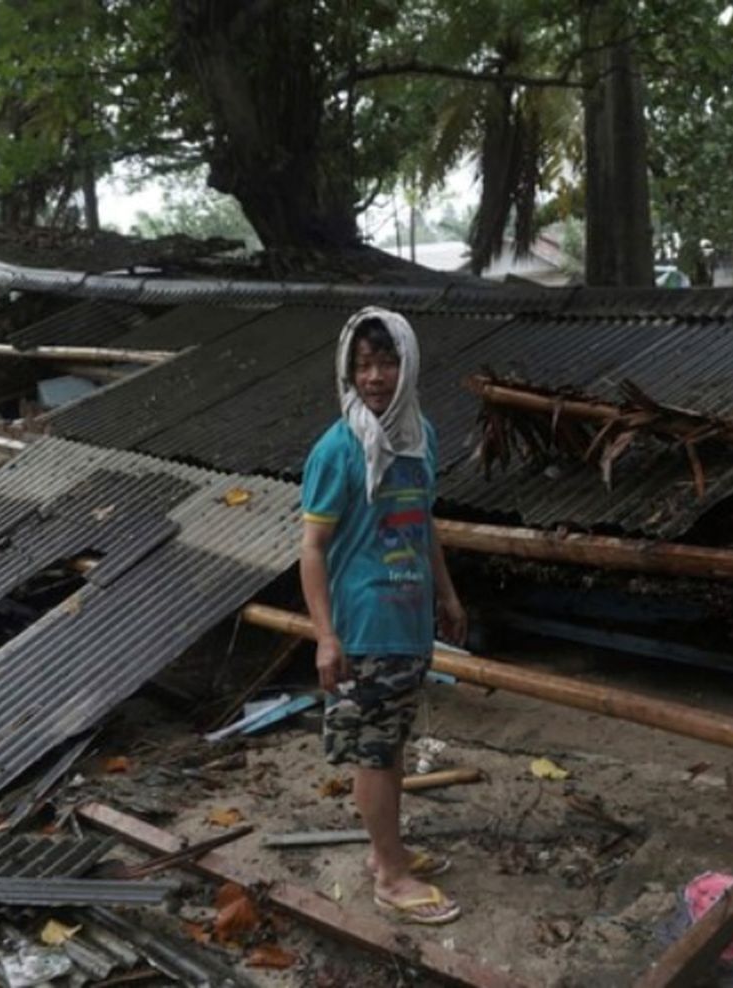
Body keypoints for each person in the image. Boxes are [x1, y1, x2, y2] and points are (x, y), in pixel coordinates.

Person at [299, 306, 467, 925]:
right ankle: (391, 878)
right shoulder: (337, 449)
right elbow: (312, 549)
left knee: (390, 742)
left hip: (409, 620)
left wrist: (446, 596)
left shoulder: (420, 436)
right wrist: (324, 637)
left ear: (408, 364)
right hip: (365, 625)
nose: (374, 377)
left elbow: (424, 525)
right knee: (374, 752)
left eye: (386, 361)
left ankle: (383, 854)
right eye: (363, 365)